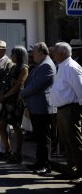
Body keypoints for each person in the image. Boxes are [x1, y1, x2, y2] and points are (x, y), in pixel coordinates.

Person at [20, 41, 56, 175]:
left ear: (41, 52)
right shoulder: (40, 64)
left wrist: (21, 93)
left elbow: (36, 86)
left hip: (42, 108)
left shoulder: (46, 65)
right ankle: (39, 162)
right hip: (36, 107)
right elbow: (30, 82)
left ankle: (46, 165)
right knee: (39, 137)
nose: (31, 54)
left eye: (34, 51)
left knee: (44, 138)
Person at [50, 42, 82, 185]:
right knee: (66, 142)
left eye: (55, 52)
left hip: (71, 109)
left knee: (75, 142)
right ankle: (71, 170)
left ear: (62, 53)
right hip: (62, 110)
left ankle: (80, 173)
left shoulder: (72, 67)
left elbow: (80, 89)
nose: (53, 54)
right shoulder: (62, 66)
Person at [0, 46, 29, 164]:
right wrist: (3, 94)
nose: (11, 56)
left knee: (16, 126)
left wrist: (5, 95)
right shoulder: (13, 67)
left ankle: (18, 154)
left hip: (16, 101)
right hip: (7, 100)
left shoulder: (24, 68)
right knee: (1, 124)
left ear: (20, 55)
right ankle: (8, 151)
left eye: (14, 54)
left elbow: (18, 85)